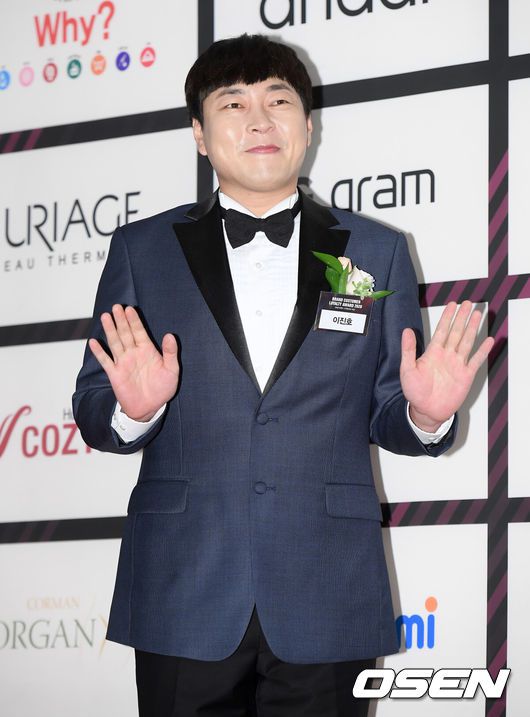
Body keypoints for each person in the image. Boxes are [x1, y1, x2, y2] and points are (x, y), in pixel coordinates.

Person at [72, 33, 493, 717]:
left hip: (327, 587)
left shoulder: (377, 251)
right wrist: (134, 410)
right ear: (199, 135)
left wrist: (425, 414)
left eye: (278, 100)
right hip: (185, 587)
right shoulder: (142, 250)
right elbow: (95, 403)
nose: (260, 120)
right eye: (233, 103)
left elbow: (389, 408)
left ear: (308, 125)